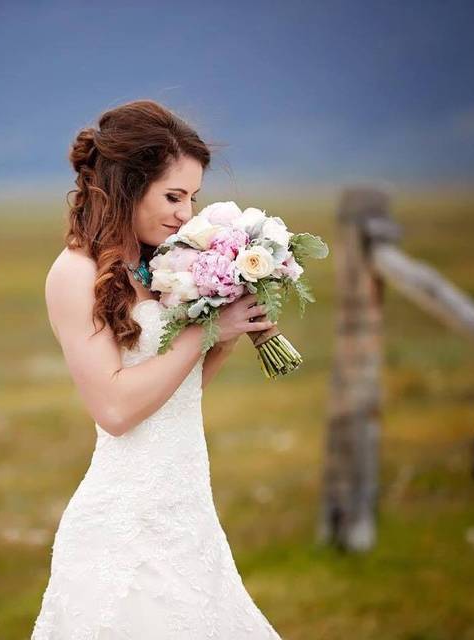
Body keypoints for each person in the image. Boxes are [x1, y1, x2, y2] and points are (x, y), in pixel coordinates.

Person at [32, 99, 284, 639]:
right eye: (173, 196)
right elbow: (116, 409)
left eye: (193, 198)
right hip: (126, 526)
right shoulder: (75, 274)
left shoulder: (157, 271)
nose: (185, 215)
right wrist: (199, 333)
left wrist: (227, 330)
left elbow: (178, 393)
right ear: (127, 185)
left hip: (187, 512)